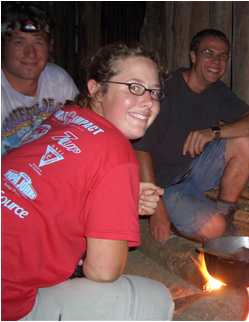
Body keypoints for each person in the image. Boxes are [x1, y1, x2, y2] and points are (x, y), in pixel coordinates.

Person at [1, 43, 174, 320]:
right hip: (7, 305)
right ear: (96, 88)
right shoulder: (117, 153)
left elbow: (53, 193)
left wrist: (121, 201)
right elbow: (102, 271)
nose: (148, 101)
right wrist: (120, 196)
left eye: (154, 92)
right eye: (134, 87)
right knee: (156, 299)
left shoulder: (63, 117)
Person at [134, 28, 249, 242]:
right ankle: (180, 221)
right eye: (208, 53)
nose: (216, 61)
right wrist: (156, 212)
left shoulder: (217, 91)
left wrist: (213, 132)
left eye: (223, 56)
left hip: (196, 169)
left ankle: (225, 213)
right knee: (215, 230)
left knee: (245, 140)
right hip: (165, 185)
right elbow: (140, 151)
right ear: (193, 56)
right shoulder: (166, 90)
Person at [1, 3, 79, 155]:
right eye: (19, 42)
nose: (30, 53)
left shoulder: (58, 80)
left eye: (38, 42)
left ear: (50, 46)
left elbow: (81, 129)